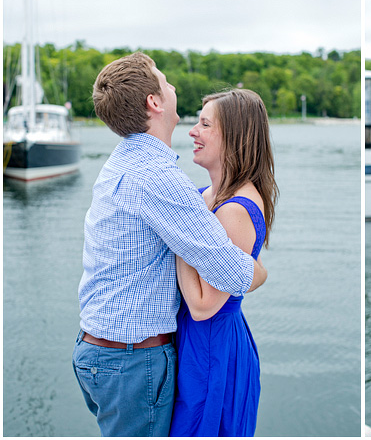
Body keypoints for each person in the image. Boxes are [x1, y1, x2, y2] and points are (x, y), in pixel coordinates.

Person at [72, 52, 266, 437]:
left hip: (98, 351)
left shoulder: (123, 161)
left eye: (206, 123)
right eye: (165, 81)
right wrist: (261, 270)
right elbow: (233, 273)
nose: (173, 85)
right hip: (131, 361)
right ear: (155, 102)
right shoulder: (160, 178)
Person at [170, 89, 278, 436]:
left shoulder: (234, 210)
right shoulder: (206, 196)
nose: (192, 131)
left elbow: (203, 305)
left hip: (213, 349)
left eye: (204, 124)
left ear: (233, 136)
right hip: (195, 343)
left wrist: (178, 238)